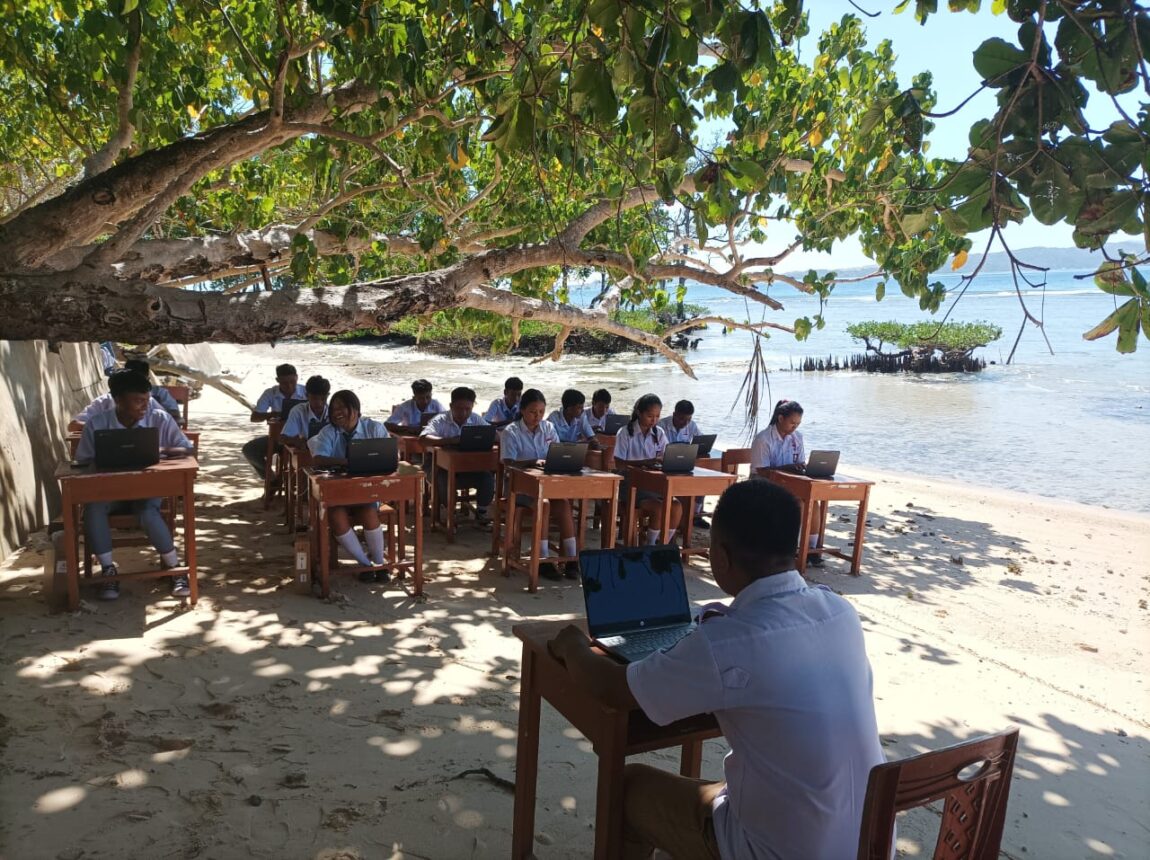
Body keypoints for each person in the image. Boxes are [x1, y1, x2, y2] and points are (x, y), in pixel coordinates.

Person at [547, 480, 884, 859]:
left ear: (720, 556)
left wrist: (574, 647)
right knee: (714, 789)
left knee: (628, 787)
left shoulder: (726, 641)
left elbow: (613, 688)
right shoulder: (840, 611)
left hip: (778, 850)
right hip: (867, 840)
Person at [74, 370, 194, 601]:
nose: (145, 406)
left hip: (147, 490)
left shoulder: (159, 418)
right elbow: (83, 461)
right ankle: (108, 571)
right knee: (93, 508)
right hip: (109, 492)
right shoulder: (97, 424)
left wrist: (158, 451)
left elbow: (188, 449)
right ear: (118, 400)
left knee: (147, 511)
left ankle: (175, 568)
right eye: (138, 401)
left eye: (147, 400)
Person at [307, 390, 392, 582]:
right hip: (339, 493)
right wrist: (349, 461)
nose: (337, 412)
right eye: (333, 409)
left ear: (355, 409)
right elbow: (319, 458)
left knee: (369, 512)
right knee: (336, 516)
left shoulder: (374, 428)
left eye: (342, 407)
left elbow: (390, 456)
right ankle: (365, 564)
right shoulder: (328, 432)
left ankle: (380, 564)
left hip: (368, 491)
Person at [502, 389, 579, 580]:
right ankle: (542, 558)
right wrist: (531, 462)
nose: (537, 416)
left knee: (563, 504)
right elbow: (508, 463)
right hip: (519, 488)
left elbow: (558, 452)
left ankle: (572, 558)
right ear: (522, 410)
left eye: (541, 412)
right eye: (532, 412)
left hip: (545, 485)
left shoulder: (548, 428)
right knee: (543, 505)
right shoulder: (511, 431)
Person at [751, 399, 823, 565]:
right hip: (763, 483)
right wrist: (789, 468)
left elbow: (800, 462)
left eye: (798, 424)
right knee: (799, 503)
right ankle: (793, 548)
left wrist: (802, 468)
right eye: (792, 423)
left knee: (814, 502)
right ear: (780, 418)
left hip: (789, 481)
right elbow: (762, 471)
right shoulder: (763, 439)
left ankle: (811, 549)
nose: (795, 427)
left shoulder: (797, 437)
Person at [421, 386, 495, 527]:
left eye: (468, 409)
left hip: (467, 467)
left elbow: (494, 435)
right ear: (451, 406)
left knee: (487, 478)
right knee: (443, 479)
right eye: (459, 409)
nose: (464, 413)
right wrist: (449, 440)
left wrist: (488, 437)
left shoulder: (475, 419)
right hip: (438, 467)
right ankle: (451, 513)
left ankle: (482, 512)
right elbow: (424, 439)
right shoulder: (440, 420)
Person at [614, 394, 681, 546]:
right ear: (639, 412)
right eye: (650, 416)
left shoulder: (659, 433)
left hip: (654, 483)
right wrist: (646, 462)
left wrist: (667, 461)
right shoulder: (625, 432)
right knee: (658, 508)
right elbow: (619, 464)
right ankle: (650, 545)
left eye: (657, 416)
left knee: (677, 506)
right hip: (631, 484)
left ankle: (663, 543)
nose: (654, 420)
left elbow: (666, 455)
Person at [242, 363, 307, 479]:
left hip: (302, 439)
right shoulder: (270, 393)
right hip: (278, 439)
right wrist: (274, 414)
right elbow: (254, 417)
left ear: (297, 377)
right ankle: (271, 479)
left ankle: (302, 483)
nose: (289, 386)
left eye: (292, 382)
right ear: (277, 380)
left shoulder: (307, 392)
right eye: (284, 383)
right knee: (249, 450)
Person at [658, 399, 709, 529]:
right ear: (674, 415)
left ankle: (695, 516)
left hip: (684, 464)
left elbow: (701, 441)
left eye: (688, 419)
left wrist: (700, 449)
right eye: (682, 419)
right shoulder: (661, 426)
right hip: (666, 467)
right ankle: (682, 517)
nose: (685, 423)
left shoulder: (692, 425)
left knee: (702, 482)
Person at [282, 375, 331, 447]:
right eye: (314, 398)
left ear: (328, 395)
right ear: (306, 395)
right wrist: (295, 441)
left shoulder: (333, 412)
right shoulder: (298, 411)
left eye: (323, 399)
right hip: (305, 451)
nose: (319, 403)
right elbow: (283, 439)